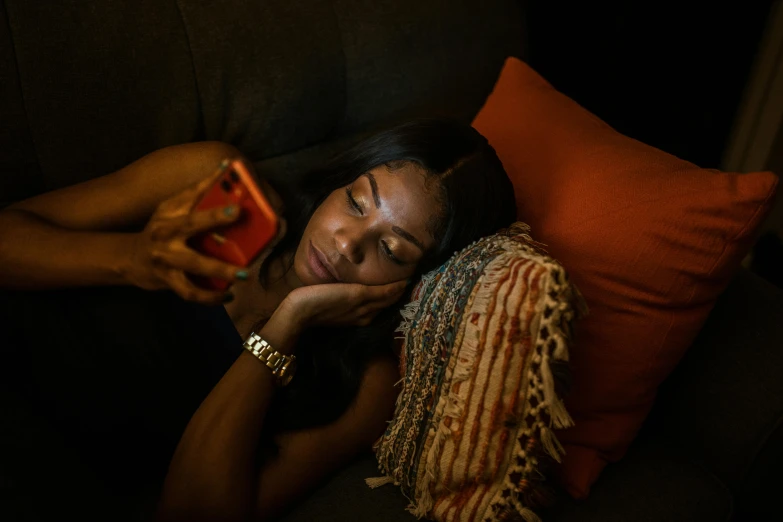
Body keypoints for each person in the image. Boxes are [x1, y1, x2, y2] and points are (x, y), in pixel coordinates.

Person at [0, 118, 516, 521]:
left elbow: (190, 514)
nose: (344, 242)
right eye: (357, 201)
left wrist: (284, 327)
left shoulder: (362, 383)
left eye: (390, 248)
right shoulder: (223, 189)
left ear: (420, 282)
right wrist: (133, 258)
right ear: (341, 180)